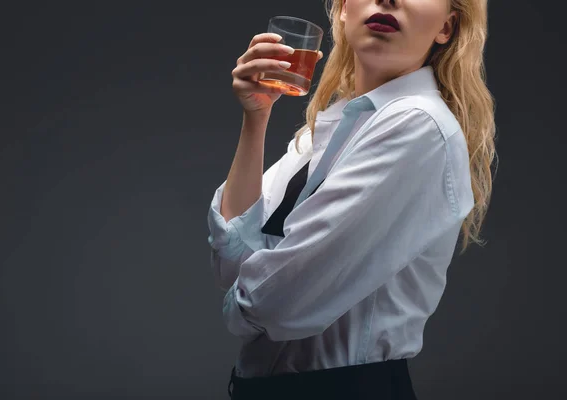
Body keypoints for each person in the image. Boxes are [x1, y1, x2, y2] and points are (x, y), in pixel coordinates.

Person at [207, 0, 496, 398]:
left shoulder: (418, 125)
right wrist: (255, 119)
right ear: (343, 8)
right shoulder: (327, 128)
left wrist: (239, 307)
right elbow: (232, 258)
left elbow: (274, 303)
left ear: (446, 27)